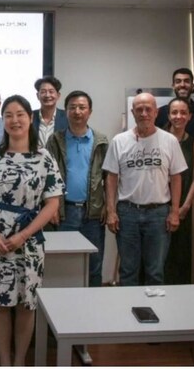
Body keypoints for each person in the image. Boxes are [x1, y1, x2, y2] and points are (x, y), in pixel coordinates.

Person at [0, 95, 63, 366]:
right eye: (8, 114)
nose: (14, 120)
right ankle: (4, 361)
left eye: (20, 114)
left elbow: (52, 202)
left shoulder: (44, 158)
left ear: (30, 118)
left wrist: (23, 235)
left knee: (26, 304)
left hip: (30, 239)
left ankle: (21, 360)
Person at [102, 92, 187, 286]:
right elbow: (111, 177)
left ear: (157, 112)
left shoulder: (170, 141)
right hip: (127, 213)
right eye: (139, 109)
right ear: (132, 112)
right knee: (128, 270)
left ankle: (155, 312)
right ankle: (127, 310)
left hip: (158, 214)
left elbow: (176, 177)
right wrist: (111, 211)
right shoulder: (119, 141)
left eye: (148, 109)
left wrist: (175, 212)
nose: (144, 113)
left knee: (155, 271)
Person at [46, 90, 109, 287]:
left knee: (94, 265)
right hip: (65, 212)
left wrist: (109, 206)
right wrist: (52, 206)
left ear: (90, 111)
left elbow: (110, 177)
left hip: (94, 213)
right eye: (72, 107)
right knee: (64, 265)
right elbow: (47, 176)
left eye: (82, 107)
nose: (77, 111)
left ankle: (94, 311)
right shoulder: (55, 140)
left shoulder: (101, 141)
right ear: (66, 112)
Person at [163, 97, 194, 285]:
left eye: (183, 112)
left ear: (190, 116)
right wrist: (170, 208)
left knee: (181, 256)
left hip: (185, 208)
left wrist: (185, 206)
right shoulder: (159, 139)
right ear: (169, 115)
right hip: (161, 207)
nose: (179, 116)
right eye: (174, 112)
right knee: (160, 258)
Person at [155, 68, 194, 139]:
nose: (182, 85)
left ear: (193, 86)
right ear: (173, 86)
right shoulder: (161, 112)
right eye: (178, 81)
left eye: (187, 81)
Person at [32, 76, 69, 148]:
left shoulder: (67, 117)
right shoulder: (29, 116)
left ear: (58, 95)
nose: (47, 95)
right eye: (43, 92)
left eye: (51, 91)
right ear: (37, 96)